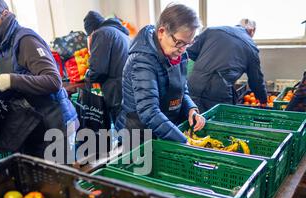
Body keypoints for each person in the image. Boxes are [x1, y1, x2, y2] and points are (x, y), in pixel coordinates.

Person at [0, 0, 78, 161]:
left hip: (55, 124)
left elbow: (54, 81)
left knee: (59, 180)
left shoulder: (26, 40)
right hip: (34, 125)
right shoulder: (4, 46)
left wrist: (12, 80)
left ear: (4, 14)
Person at [115, 4, 205, 144]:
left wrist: (191, 109)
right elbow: (149, 112)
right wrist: (183, 141)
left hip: (164, 130)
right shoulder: (142, 60)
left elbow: (181, 90)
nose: (183, 49)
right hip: (138, 137)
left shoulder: (177, 54)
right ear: (162, 32)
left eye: (188, 43)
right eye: (179, 42)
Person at [187, 19, 268, 113]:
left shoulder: (212, 31)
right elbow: (256, 79)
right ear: (252, 30)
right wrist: (263, 100)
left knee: (194, 121)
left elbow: (189, 53)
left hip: (193, 84)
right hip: (219, 90)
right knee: (219, 123)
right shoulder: (250, 46)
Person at [83, 11, 130, 124]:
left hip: (116, 92)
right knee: (130, 131)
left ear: (92, 30)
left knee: (123, 132)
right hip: (127, 88)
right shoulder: (118, 32)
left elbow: (98, 70)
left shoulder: (101, 33)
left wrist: (88, 75)